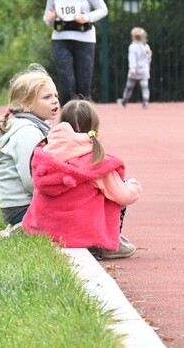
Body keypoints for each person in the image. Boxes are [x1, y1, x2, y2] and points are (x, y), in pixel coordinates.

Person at [23, 99, 142, 259]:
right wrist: (133, 185)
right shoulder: (97, 162)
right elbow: (124, 196)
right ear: (96, 129)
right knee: (115, 191)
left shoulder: (44, 154)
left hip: (44, 231)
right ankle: (106, 245)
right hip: (82, 237)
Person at [0, 64, 60, 237]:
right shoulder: (27, 132)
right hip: (22, 207)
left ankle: (24, 226)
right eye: (47, 97)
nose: (55, 100)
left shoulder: (31, 126)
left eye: (56, 95)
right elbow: (31, 180)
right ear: (26, 104)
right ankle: (23, 227)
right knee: (74, 215)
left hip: (17, 206)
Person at [43, 0, 108, 101]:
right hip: (61, 38)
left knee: (83, 86)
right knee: (67, 83)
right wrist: (50, 18)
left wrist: (86, 17)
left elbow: (103, 9)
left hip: (84, 38)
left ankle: (85, 115)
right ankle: (67, 114)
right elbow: (47, 16)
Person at [117, 27, 152, 109]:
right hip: (144, 70)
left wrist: (132, 69)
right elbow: (149, 58)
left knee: (129, 87)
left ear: (133, 36)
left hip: (134, 70)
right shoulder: (146, 46)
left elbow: (132, 59)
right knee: (145, 87)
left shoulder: (132, 46)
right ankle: (146, 102)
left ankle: (124, 101)